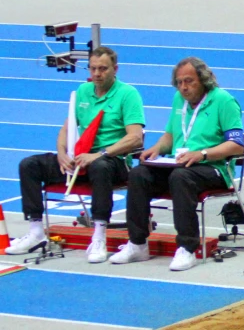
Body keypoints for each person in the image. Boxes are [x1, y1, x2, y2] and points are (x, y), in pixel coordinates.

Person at [6, 46, 145, 263]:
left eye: (103, 69)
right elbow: (67, 128)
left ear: (115, 69)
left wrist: (100, 154)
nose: (97, 73)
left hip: (113, 161)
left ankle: (99, 235)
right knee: (29, 164)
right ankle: (35, 231)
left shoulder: (128, 94)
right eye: (93, 68)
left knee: (100, 167)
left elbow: (135, 137)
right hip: (81, 158)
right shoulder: (82, 92)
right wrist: (62, 154)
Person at [109, 57, 244, 271]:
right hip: (178, 165)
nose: (183, 87)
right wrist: (157, 148)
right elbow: (171, 135)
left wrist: (203, 153)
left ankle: (187, 248)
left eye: (189, 81)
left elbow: (237, 145)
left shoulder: (224, 101)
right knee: (139, 174)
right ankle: (137, 243)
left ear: (203, 80)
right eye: (179, 82)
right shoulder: (178, 100)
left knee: (181, 177)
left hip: (213, 168)